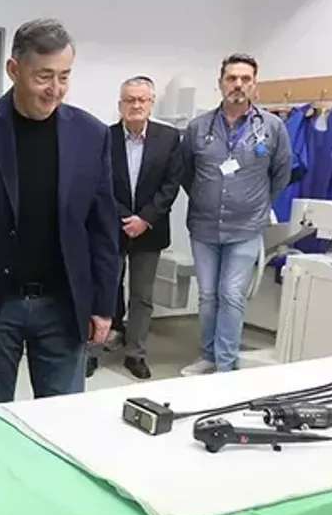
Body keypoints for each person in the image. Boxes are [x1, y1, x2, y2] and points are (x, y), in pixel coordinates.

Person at [0, 18, 120, 413]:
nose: (55, 89)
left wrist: (103, 304)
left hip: (63, 303)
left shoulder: (91, 135)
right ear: (14, 69)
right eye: (43, 76)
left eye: (64, 76)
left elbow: (102, 227)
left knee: (62, 418)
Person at [180, 53, 291, 375]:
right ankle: (208, 356)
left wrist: (255, 203)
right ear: (220, 83)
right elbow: (186, 173)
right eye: (231, 78)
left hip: (246, 228)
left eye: (245, 79)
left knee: (231, 295)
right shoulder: (198, 127)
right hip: (204, 228)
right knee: (207, 296)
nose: (238, 85)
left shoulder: (272, 127)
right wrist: (206, 197)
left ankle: (225, 365)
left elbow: (281, 173)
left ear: (254, 85)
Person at [98, 76, 183, 380]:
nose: (136, 105)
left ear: (151, 103)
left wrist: (144, 219)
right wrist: (124, 218)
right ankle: (95, 349)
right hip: (112, 227)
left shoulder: (169, 138)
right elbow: (100, 183)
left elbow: (171, 184)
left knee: (142, 296)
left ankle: (136, 353)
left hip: (150, 229)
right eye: (130, 100)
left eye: (142, 100)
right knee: (105, 290)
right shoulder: (104, 137)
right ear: (120, 104)